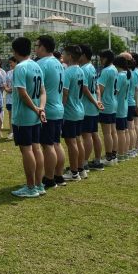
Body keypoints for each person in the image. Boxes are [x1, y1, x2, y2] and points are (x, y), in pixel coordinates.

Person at [10, 37, 46, 198]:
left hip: (23, 116)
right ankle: (39, 184)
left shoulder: (20, 67)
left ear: (15, 51)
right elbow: (43, 91)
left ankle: (31, 187)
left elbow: (22, 93)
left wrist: (36, 108)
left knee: (27, 150)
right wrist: (40, 109)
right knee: (36, 148)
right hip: (35, 115)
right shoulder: (36, 66)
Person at [35, 35, 66, 188]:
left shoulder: (41, 63)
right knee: (56, 143)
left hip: (47, 109)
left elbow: (35, 88)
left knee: (48, 145)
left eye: (37, 46)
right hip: (58, 108)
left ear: (42, 47)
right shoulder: (59, 63)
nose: (35, 49)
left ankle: (49, 178)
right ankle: (58, 175)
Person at [60, 45, 85, 181]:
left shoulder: (68, 72)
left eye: (64, 54)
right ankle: (80, 169)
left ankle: (74, 172)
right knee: (78, 140)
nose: (62, 56)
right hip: (79, 109)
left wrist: (61, 109)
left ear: (69, 56)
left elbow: (65, 93)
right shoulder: (80, 70)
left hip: (70, 111)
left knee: (71, 143)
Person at [79, 44, 105, 171]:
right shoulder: (92, 68)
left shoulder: (84, 69)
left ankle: (83, 163)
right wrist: (98, 101)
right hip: (93, 107)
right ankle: (97, 160)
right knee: (94, 134)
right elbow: (97, 87)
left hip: (87, 107)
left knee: (87, 136)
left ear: (83, 55)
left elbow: (85, 89)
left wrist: (96, 102)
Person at [97, 49, 118, 166]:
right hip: (113, 102)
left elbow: (100, 89)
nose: (100, 60)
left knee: (107, 133)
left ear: (106, 58)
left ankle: (109, 156)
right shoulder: (114, 69)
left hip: (106, 104)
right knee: (112, 131)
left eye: (101, 58)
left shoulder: (106, 71)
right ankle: (113, 155)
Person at [113, 55, 131, 162]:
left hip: (119, 107)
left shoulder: (120, 76)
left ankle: (120, 154)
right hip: (124, 106)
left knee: (120, 132)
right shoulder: (127, 74)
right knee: (124, 131)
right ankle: (124, 153)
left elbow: (116, 91)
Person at [3, 57, 17, 139]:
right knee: (10, 115)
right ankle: (11, 131)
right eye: (9, 62)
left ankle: (17, 131)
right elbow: (5, 82)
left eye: (11, 62)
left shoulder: (19, 71)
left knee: (17, 115)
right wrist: (6, 88)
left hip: (17, 97)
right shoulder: (8, 72)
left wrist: (11, 89)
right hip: (9, 97)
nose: (10, 64)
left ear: (16, 62)